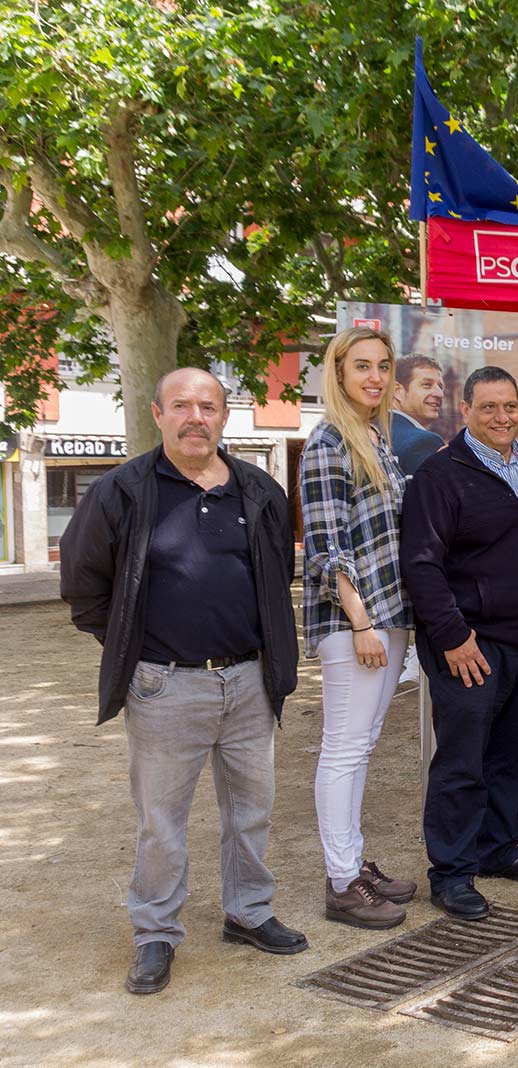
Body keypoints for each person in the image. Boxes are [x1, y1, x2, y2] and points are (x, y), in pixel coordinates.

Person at [60, 367, 305, 995]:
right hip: (165, 687)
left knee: (251, 812)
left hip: (250, 682)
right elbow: (84, 589)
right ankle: (155, 935)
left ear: (226, 415)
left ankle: (248, 913)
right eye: (181, 406)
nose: (195, 417)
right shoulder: (123, 491)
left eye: (208, 405)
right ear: (157, 413)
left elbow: (275, 581)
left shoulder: (259, 491)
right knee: (161, 823)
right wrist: (136, 651)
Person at [400, 366, 518, 920]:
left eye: (509, 407)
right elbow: (421, 564)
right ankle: (450, 873)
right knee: (462, 761)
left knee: (513, 755)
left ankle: (496, 849)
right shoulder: (439, 475)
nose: (500, 417)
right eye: (488, 407)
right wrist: (452, 636)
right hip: (468, 646)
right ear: (465, 410)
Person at [300, 327, 415, 930]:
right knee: (344, 749)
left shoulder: (375, 437)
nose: (373, 376)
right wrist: (362, 621)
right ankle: (342, 883)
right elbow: (325, 547)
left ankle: (351, 864)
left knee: (361, 745)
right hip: (356, 621)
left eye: (382, 366)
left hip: (386, 617)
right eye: (361, 365)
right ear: (339, 371)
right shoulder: (327, 441)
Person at [391, 355, 446, 476]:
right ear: (397, 391)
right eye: (427, 385)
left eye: (440, 387)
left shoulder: (370, 430)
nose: (439, 393)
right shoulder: (424, 442)